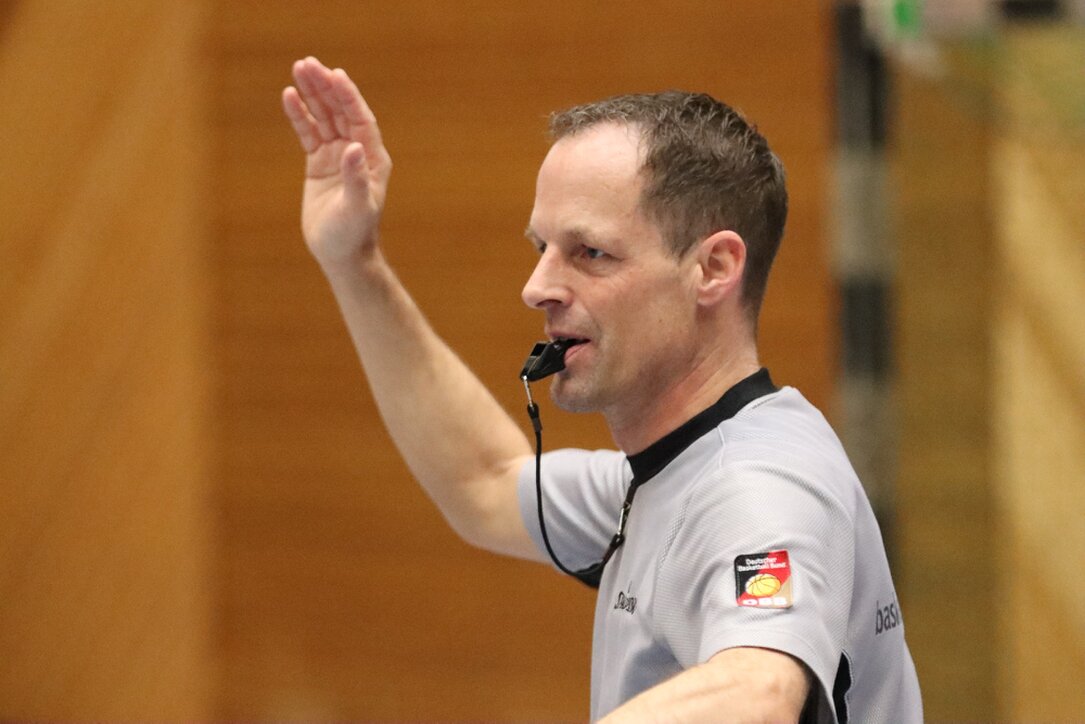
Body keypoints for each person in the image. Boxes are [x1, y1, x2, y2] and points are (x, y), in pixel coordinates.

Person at [282, 56, 922, 723]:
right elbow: (484, 482)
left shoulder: (757, 487)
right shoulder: (667, 476)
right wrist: (354, 262)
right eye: (541, 248)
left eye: (590, 253)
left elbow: (757, 692)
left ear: (713, 268)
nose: (537, 288)